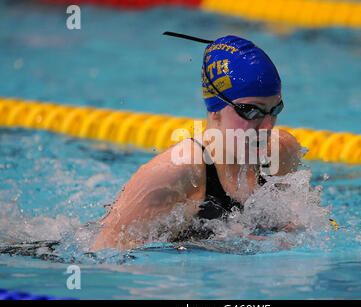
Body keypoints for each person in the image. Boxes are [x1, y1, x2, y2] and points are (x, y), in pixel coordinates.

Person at [92, 34, 302, 251]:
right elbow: (104, 253)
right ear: (215, 109)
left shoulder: (281, 151)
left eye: (275, 110)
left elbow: (304, 223)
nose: (267, 126)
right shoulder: (176, 171)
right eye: (250, 110)